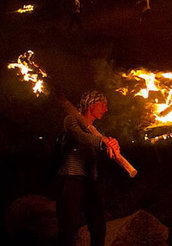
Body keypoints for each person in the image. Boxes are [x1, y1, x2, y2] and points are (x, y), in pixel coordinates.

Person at [56, 90, 121, 246]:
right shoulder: (70, 120)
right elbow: (81, 136)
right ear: (91, 104)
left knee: (99, 226)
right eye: (103, 105)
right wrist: (103, 141)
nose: (106, 109)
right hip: (71, 179)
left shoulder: (96, 132)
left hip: (90, 182)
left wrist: (113, 146)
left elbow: (103, 148)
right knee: (69, 225)